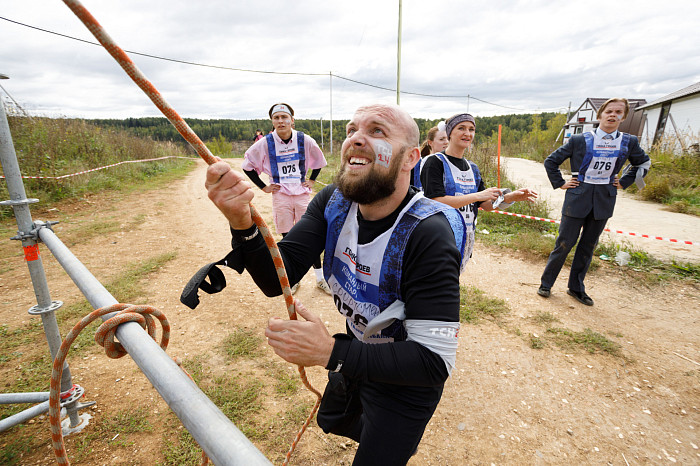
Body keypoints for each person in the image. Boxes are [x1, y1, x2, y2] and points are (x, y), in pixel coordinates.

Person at [202, 103, 466, 465]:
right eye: (351, 130)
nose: (355, 139)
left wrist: (331, 353)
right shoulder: (334, 203)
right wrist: (241, 222)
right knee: (337, 418)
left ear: (410, 159)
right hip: (358, 352)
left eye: (376, 131)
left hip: (408, 383)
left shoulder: (428, 234)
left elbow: (434, 361)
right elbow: (276, 278)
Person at [538, 98, 650, 306]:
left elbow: (643, 162)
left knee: (588, 246)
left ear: (623, 117)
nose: (613, 115)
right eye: (609, 111)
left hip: (604, 200)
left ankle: (576, 288)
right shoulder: (580, 140)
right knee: (564, 244)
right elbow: (551, 161)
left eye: (618, 112)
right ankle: (546, 284)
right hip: (577, 197)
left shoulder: (628, 142)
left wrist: (624, 181)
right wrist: (561, 183)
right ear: (600, 115)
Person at [421, 112, 537, 266]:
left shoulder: (472, 168)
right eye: (461, 128)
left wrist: (510, 198)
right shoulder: (435, 162)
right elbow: (435, 202)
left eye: (471, 129)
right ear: (449, 133)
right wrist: (477, 196)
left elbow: (485, 205)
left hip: (464, 237)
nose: (467, 133)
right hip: (438, 236)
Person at [241, 103, 330, 294]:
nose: (281, 121)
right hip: (280, 195)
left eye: (284, 117)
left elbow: (319, 160)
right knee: (288, 237)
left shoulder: (303, 139)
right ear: (272, 121)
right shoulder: (265, 142)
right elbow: (247, 165)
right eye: (276, 118)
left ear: (292, 120)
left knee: (311, 237)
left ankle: (320, 278)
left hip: (301, 194)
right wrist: (263, 187)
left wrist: (312, 180)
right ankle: (293, 278)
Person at [411, 123, 448, 189]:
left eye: (448, 139)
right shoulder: (417, 164)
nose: (446, 142)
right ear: (430, 143)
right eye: (441, 139)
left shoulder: (452, 165)